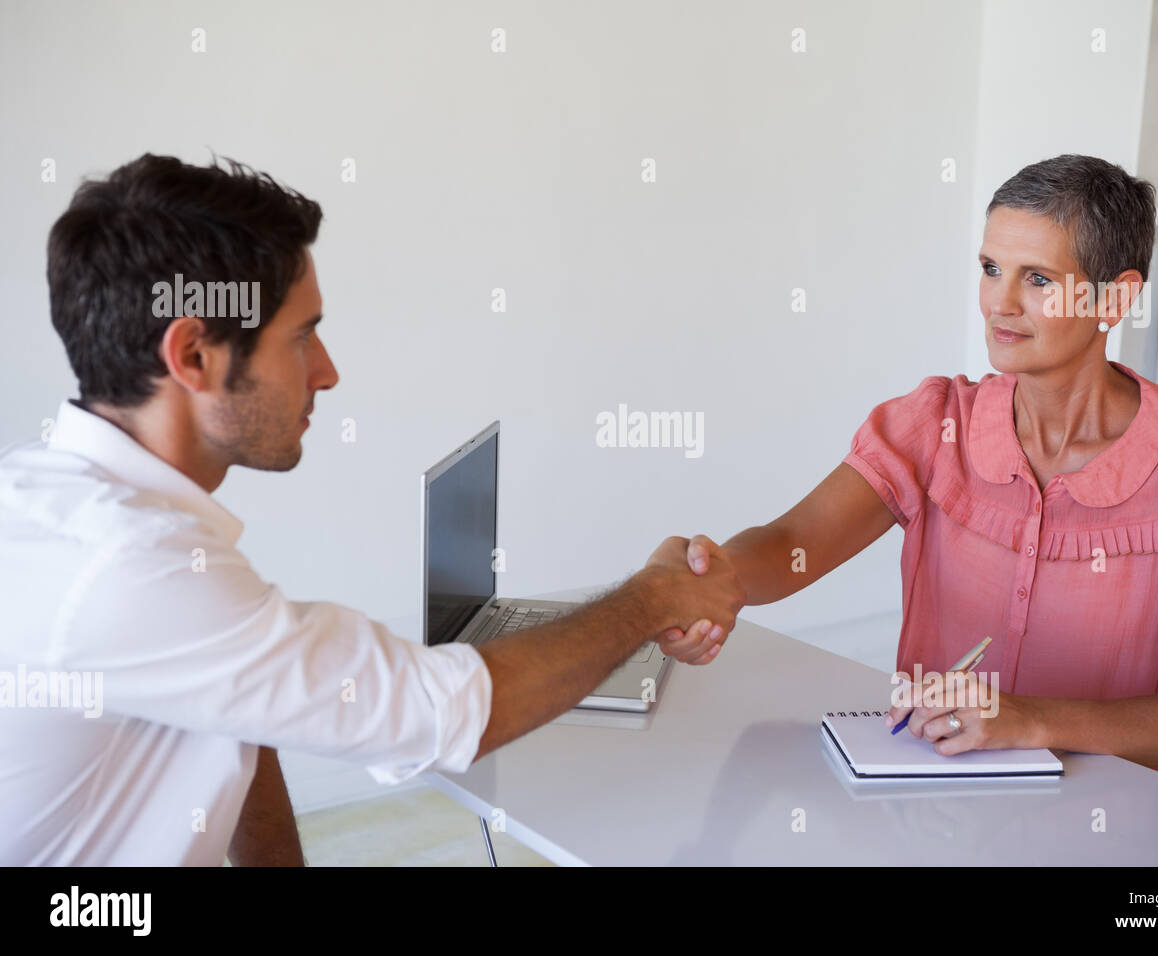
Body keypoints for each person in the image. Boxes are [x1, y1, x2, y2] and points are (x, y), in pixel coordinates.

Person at [0, 153, 744, 865]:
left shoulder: (75, 508)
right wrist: (655, 598)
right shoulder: (129, 567)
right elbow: (432, 713)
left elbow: (236, 715)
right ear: (194, 354)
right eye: (301, 336)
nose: (327, 372)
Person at [659, 154, 1158, 794]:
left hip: (1136, 826)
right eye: (990, 270)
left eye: (1037, 278)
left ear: (1116, 298)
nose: (1000, 303)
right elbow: (793, 542)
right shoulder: (935, 423)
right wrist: (718, 580)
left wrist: (1031, 720)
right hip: (945, 805)